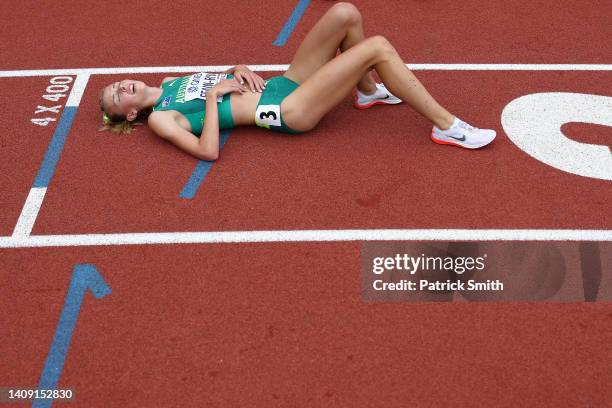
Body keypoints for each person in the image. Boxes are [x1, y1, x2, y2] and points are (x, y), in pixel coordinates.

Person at [99, 2, 496, 161]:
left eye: (117, 83)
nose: (121, 87)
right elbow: (208, 153)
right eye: (117, 97)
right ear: (130, 112)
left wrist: (237, 67)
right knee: (378, 47)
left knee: (345, 13)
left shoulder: (169, 81)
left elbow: (224, 74)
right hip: (285, 110)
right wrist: (214, 97)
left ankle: (369, 93)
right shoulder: (160, 118)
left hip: (282, 84)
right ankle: (449, 128)